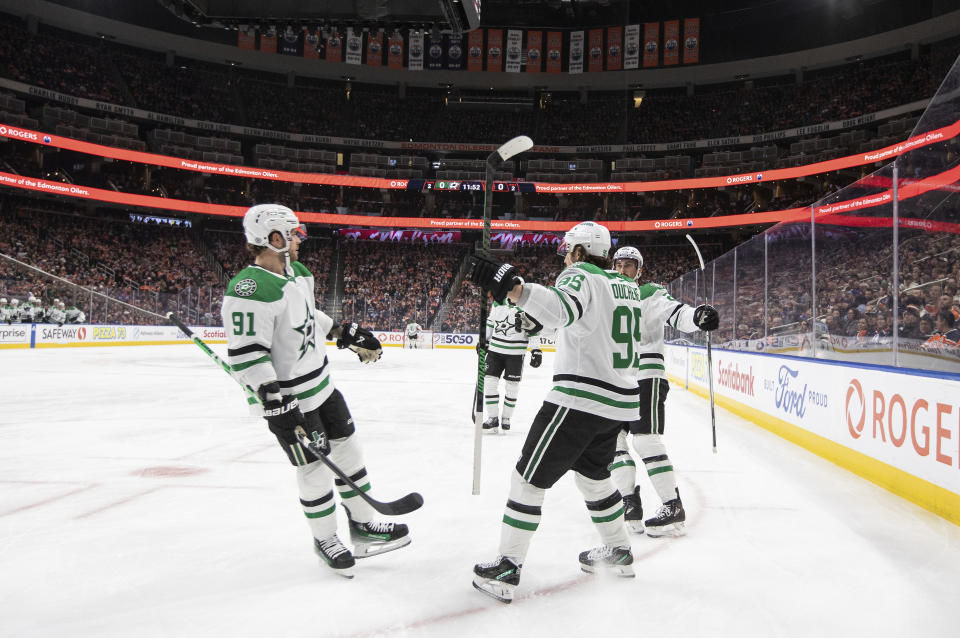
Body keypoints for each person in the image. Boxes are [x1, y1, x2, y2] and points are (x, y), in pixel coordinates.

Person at [221, 203, 410, 579]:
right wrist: (275, 403)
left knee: (350, 452)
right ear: (273, 238)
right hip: (292, 400)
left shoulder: (298, 273)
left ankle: (363, 524)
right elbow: (248, 355)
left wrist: (344, 333)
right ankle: (325, 539)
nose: (298, 241)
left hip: (323, 387)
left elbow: (309, 317)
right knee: (314, 469)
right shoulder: (248, 289)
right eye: (292, 235)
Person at [468, 221, 643, 604]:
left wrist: (512, 286)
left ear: (579, 251)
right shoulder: (626, 285)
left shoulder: (581, 274)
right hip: (619, 402)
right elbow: (587, 324)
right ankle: (619, 551)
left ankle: (508, 567)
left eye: (568, 249)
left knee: (527, 479)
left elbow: (563, 309)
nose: (565, 256)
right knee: (594, 476)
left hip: (580, 399)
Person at [608, 246, 719, 537]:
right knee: (613, 441)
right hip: (614, 379)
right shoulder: (605, 295)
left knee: (645, 442)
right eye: (618, 264)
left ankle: (672, 505)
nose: (622, 270)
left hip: (646, 376)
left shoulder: (650, 294)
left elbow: (676, 313)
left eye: (629, 266)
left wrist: (697, 317)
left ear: (639, 271)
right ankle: (629, 501)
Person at [481, 299, 544, 433]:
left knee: (512, 387)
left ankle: (506, 418)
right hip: (495, 352)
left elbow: (533, 331)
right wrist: (484, 341)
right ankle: (493, 418)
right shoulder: (498, 304)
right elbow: (491, 324)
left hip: (515, 355)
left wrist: (536, 350)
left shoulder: (528, 307)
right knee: (489, 383)